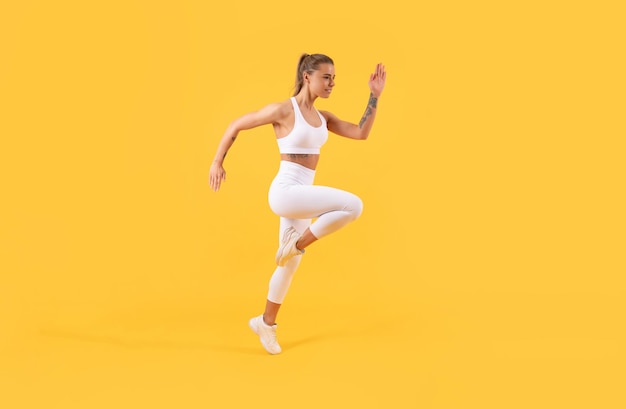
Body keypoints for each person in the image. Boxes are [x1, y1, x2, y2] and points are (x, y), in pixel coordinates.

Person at [209, 53, 386, 354]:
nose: (331, 83)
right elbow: (236, 125)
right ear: (307, 77)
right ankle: (298, 242)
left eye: (334, 78)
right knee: (353, 206)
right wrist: (217, 162)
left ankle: (266, 323)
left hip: (302, 195)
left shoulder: (324, 118)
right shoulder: (283, 110)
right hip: (285, 192)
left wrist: (374, 96)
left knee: (289, 266)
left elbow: (361, 132)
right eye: (326, 77)